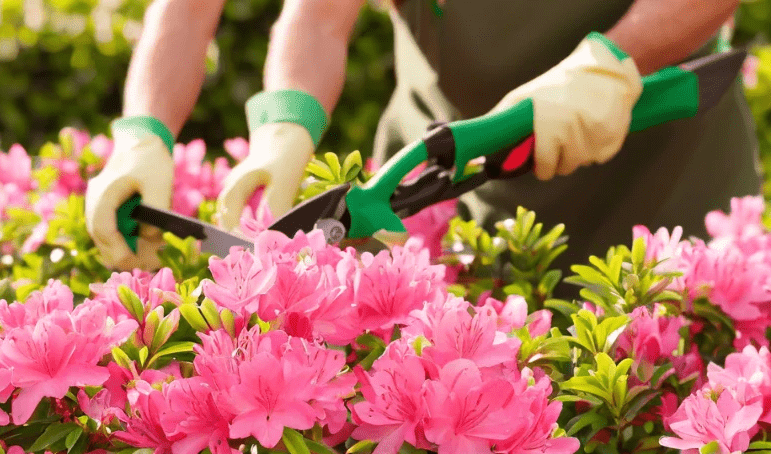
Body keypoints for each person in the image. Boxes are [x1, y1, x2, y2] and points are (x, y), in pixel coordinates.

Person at [86, 0, 763, 274]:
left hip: (668, 176)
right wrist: (282, 126)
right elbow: (316, 21)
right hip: (440, 189)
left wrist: (612, 63)